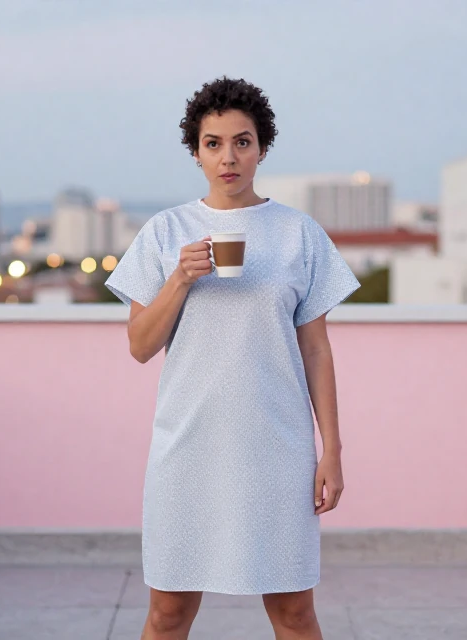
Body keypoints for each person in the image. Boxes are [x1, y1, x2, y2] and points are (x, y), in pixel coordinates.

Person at [103, 76, 361, 640]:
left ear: (262, 148)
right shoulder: (165, 232)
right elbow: (140, 346)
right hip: (187, 448)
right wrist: (180, 279)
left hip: (278, 449)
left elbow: (316, 348)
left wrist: (332, 449)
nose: (229, 157)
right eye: (214, 143)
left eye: (242, 142)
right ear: (195, 152)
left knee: (294, 614)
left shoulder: (299, 234)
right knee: (168, 614)